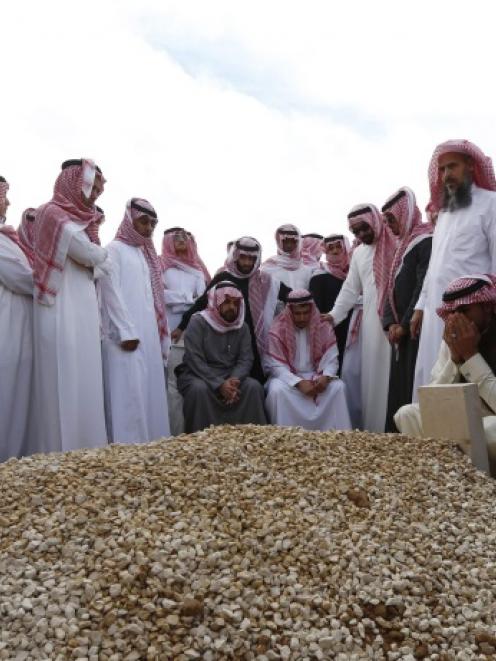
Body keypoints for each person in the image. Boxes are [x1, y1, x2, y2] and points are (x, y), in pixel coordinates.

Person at [31, 159, 108, 454]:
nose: (98, 191)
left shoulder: (79, 222)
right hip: (59, 309)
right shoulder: (52, 213)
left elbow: (94, 261)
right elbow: (87, 254)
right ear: (76, 183)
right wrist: (97, 257)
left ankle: (86, 453)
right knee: (62, 378)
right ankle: (56, 457)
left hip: (82, 309)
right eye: (94, 185)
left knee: (84, 378)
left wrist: (96, 258)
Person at [412, 140, 496, 398]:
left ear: (471, 166)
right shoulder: (445, 213)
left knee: (464, 386)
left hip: (469, 315)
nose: (446, 175)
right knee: (431, 376)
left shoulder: (491, 204)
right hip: (435, 311)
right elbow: (434, 266)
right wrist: (419, 306)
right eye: (442, 169)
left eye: (453, 167)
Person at [395, 274, 496, 469]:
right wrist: (456, 359)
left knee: (485, 429)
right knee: (407, 414)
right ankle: (437, 476)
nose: (458, 319)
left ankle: (481, 484)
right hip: (470, 411)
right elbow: (434, 396)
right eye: (453, 312)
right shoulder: (454, 337)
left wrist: (471, 356)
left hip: (490, 418)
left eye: (465, 310)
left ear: (486, 306)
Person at [100, 198, 170, 444]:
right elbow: (111, 294)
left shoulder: (146, 255)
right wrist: (125, 332)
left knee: (148, 393)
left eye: (153, 223)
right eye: (144, 221)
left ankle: (152, 448)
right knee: (128, 395)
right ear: (130, 220)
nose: (149, 227)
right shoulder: (113, 250)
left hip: (147, 335)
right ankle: (126, 452)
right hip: (124, 338)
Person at [325, 204, 396, 432]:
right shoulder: (359, 253)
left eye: (365, 228)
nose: (361, 235)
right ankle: (376, 431)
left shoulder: (395, 242)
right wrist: (334, 315)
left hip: (396, 321)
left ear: (375, 220)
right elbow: (350, 288)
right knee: (374, 380)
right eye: (356, 232)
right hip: (372, 325)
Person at [172, 237, 282, 383]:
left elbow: (291, 295)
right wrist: (181, 326)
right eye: (243, 258)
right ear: (236, 257)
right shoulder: (224, 277)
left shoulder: (264, 279)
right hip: (231, 337)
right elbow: (202, 302)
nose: (247, 263)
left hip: (256, 338)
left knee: (255, 381)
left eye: (252, 259)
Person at [176, 281, 267, 432]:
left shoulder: (242, 327)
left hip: (231, 376)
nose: (232, 307)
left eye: (235, 303)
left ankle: (253, 440)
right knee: (198, 390)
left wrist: (233, 382)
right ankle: (200, 444)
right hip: (198, 375)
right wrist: (219, 384)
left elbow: (246, 359)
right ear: (215, 302)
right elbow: (194, 359)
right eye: (226, 302)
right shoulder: (198, 321)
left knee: (253, 387)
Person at [381, 187, 432, 431]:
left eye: (391, 219)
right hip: (401, 330)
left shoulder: (425, 241)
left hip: (415, 328)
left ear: (405, 214)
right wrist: (390, 323)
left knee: (412, 383)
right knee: (399, 387)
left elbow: (422, 286)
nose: (389, 226)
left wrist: (403, 324)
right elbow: (390, 290)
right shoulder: (403, 246)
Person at [265, 289, 352, 431]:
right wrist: (298, 383)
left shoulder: (323, 326)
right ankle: (284, 439)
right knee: (276, 390)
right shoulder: (278, 329)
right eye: (297, 314)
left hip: (316, 375)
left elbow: (332, 358)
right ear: (290, 312)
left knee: (338, 387)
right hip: (289, 379)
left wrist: (326, 376)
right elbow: (275, 365)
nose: (302, 318)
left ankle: (339, 439)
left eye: (306, 313)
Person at [0, 177, 34, 461]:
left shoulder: (7, 239)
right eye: (3, 196)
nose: (8, 202)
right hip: (7, 327)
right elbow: (21, 279)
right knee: (7, 392)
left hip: (19, 325)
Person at [310, 233, 353, 370]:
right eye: (331, 248)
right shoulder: (319, 274)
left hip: (354, 326)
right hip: (331, 328)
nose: (335, 251)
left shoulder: (354, 271)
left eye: (338, 247)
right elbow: (316, 308)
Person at [161, 227, 210, 331]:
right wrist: (189, 297)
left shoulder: (197, 269)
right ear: (168, 241)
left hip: (191, 323)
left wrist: (175, 299)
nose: (182, 240)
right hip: (164, 322)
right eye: (177, 238)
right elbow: (157, 294)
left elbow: (202, 299)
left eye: (184, 237)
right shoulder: (158, 264)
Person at [261, 223, 316, 291]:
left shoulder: (306, 269)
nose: (289, 245)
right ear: (279, 241)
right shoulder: (268, 268)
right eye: (286, 242)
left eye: (293, 241)